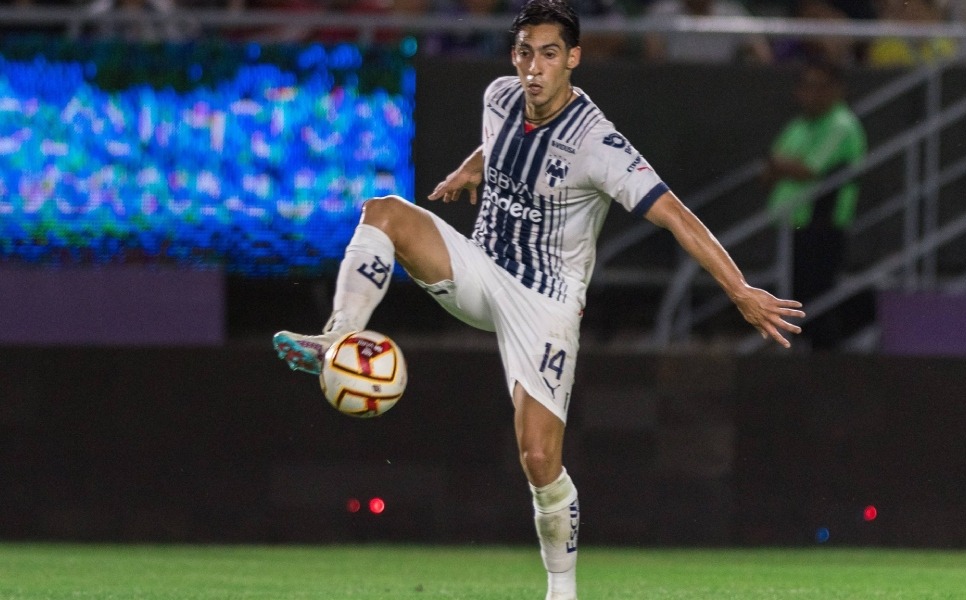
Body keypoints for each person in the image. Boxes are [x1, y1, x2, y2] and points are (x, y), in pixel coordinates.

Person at [274, 1, 803, 598]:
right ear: (513, 56)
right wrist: (472, 168)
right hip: (479, 269)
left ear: (573, 58)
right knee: (384, 212)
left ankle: (561, 590)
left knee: (538, 459)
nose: (534, 67)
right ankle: (337, 336)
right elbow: (501, 142)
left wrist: (739, 290)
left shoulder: (598, 143)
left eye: (549, 54)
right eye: (525, 53)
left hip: (545, 302)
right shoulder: (499, 96)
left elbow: (676, 216)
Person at [760, 59, 866, 350]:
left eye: (819, 86)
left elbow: (809, 169)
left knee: (818, 299)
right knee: (794, 294)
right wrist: (782, 167)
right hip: (791, 225)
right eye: (806, 85)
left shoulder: (842, 124)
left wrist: (782, 166)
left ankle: (824, 362)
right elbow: (769, 169)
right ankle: (800, 355)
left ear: (837, 90)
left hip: (823, 224)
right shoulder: (798, 125)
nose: (811, 93)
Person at [643, 0, 774, 65]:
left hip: (722, 86)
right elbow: (653, 56)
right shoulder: (662, 11)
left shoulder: (732, 13)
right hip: (675, 84)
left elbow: (763, 55)